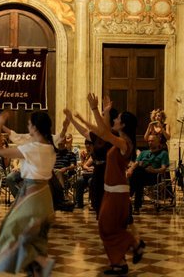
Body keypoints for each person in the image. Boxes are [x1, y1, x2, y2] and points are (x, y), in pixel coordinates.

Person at [74, 93, 145, 276]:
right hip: (110, 191)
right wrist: (96, 114)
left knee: (106, 227)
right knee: (108, 228)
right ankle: (119, 264)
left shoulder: (124, 143)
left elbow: (104, 132)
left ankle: (134, 243)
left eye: (118, 118)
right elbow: (102, 132)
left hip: (117, 193)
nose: (115, 119)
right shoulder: (121, 141)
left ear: (123, 125)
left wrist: (95, 109)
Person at [0, 110, 57, 276]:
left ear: (34, 127)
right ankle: (36, 269)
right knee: (35, 239)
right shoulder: (50, 147)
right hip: (44, 196)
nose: (28, 127)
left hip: (32, 196)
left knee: (12, 230)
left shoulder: (32, 149)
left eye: (29, 124)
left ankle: (42, 263)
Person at [64, 101, 118, 218]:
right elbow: (84, 131)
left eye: (103, 116)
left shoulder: (114, 135)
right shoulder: (98, 135)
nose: (100, 119)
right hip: (98, 170)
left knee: (108, 202)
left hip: (109, 170)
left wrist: (94, 110)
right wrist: (71, 119)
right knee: (96, 201)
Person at [127, 134, 169, 214]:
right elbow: (136, 163)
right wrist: (130, 169)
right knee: (139, 177)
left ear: (158, 142)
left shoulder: (163, 153)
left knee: (138, 176)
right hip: (141, 175)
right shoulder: (143, 153)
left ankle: (129, 196)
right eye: (149, 141)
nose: (150, 143)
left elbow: (163, 169)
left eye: (152, 141)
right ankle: (136, 207)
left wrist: (154, 170)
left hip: (154, 176)